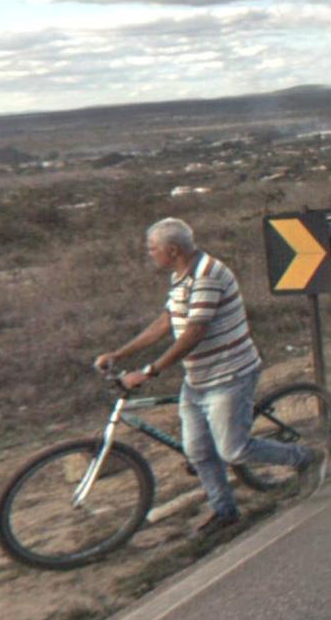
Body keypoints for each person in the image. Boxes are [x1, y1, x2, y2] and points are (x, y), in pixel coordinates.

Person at [95, 217, 317, 540]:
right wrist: (119, 354)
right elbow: (166, 322)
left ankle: (305, 457)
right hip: (198, 379)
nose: (149, 253)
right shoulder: (181, 275)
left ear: (172, 250)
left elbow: (194, 332)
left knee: (234, 451)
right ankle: (225, 512)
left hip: (230, 375)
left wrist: (149, 371)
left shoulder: (208, 275)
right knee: (198, 451)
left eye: (152, 248)